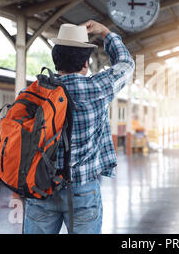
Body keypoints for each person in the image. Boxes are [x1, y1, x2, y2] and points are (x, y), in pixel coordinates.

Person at [23, 20, 134, 234]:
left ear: (56, 62)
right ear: (85, 64)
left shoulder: (37, 91)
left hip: (40, 187)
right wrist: (105, 33)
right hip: (82, 190)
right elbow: (126, 65)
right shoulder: (97, 88)